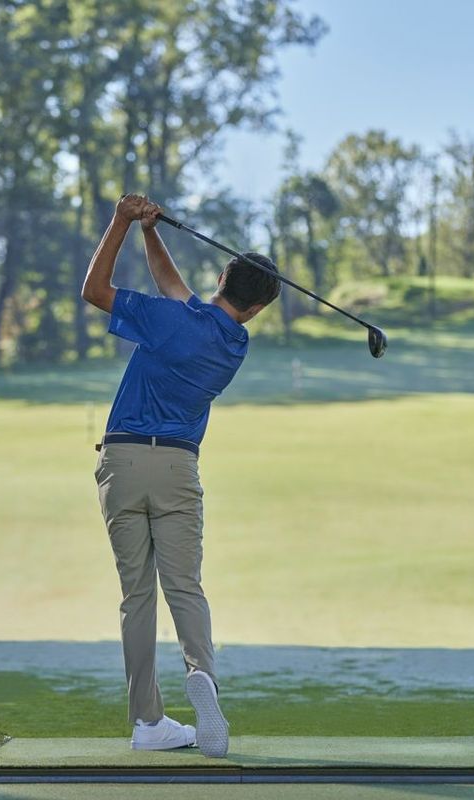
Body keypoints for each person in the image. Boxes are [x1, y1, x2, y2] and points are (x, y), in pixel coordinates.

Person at [81, 193, 281, 758]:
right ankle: (203, 676)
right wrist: (151, 231)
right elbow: (176, 289)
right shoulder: (230, 342)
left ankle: (148, 722)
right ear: (257, 308)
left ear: (221, 276)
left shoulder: (169, 321)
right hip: (176, 467)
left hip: (120, 463)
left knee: (136, 597)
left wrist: (122, 220)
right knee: (184, 586)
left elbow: (94, 291)